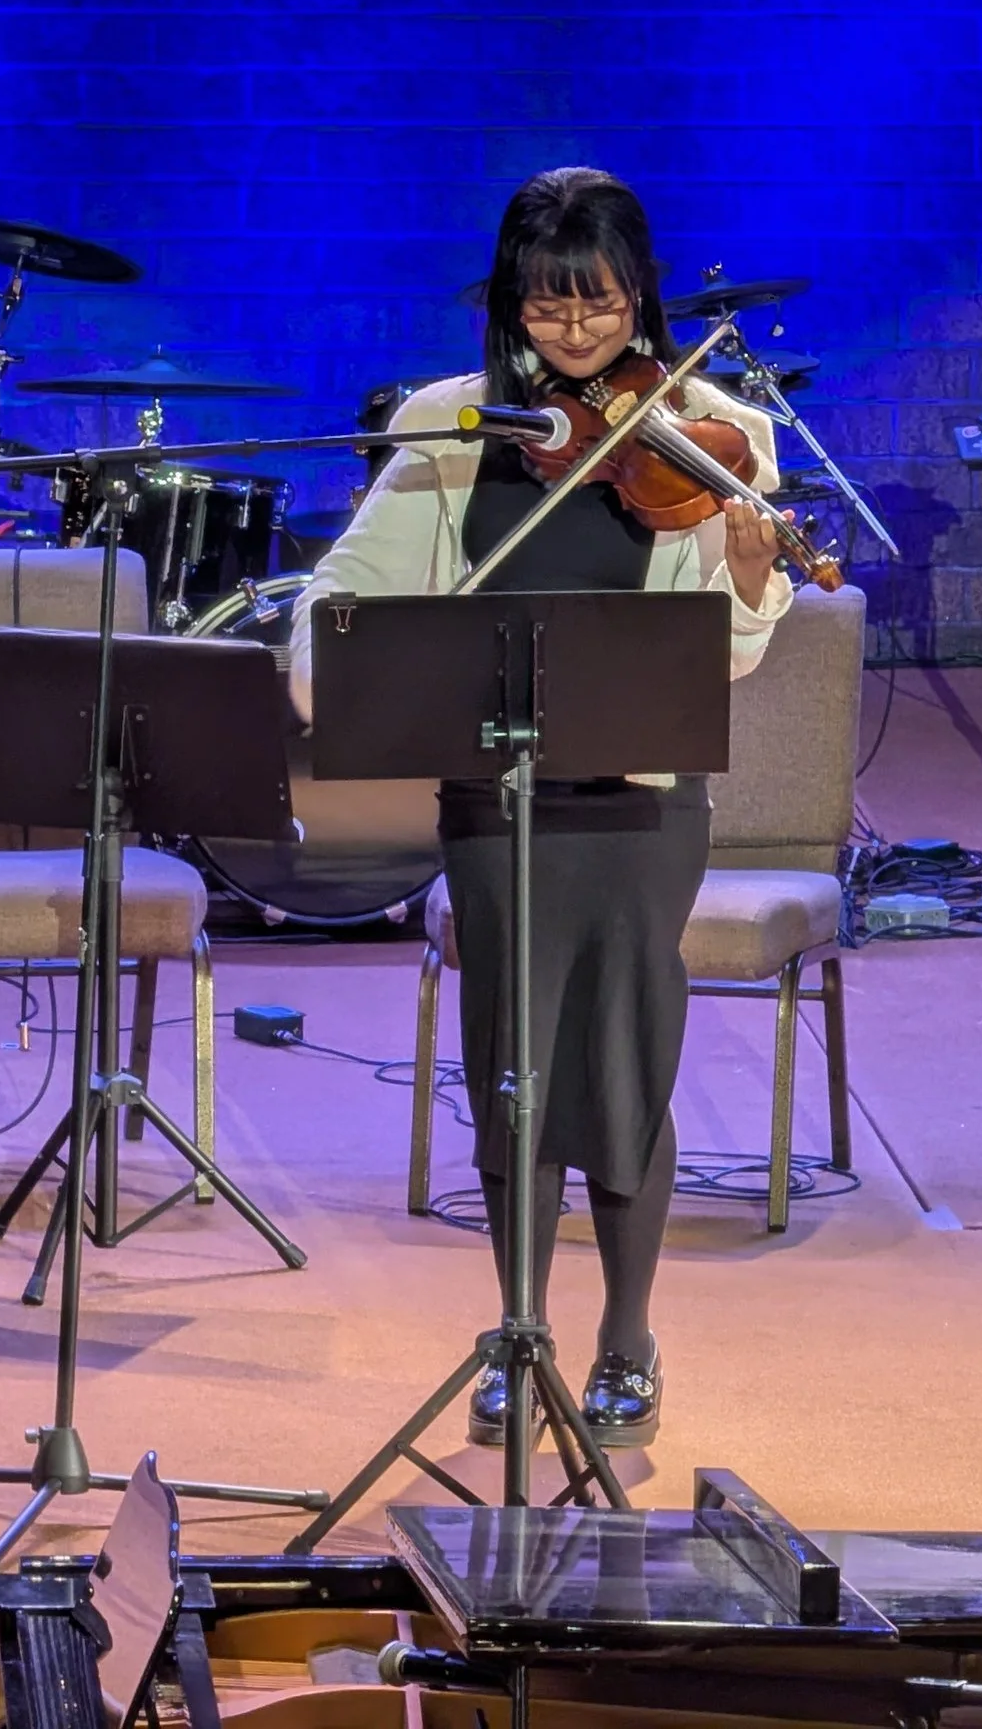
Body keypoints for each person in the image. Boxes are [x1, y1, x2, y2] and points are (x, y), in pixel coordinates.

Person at [288, 167, 794, 1449]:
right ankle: (518, 1327)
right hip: (495, 797)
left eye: (601, 307)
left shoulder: (710, 425)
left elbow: (728, 649)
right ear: (510, 301)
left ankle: (628, 1336)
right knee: (508, 1066)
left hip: (637, 804)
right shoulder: (454, 423)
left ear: (642, 297)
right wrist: (333, 670)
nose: (574, 335)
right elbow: (343, 589)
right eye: (548, 308)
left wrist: (748, 579)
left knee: (621, 1062)